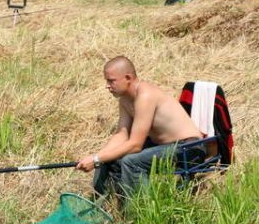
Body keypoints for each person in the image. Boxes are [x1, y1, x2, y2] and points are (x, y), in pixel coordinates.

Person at [76, 56, 205, 199]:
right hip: (163, 146)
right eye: (106, 81)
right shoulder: (125, 99)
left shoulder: (145, 95)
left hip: (190, 148)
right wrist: (99, 157)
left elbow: (135, 145)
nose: (107, 85)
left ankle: (141, 211)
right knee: (110, 159)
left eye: (111, 80)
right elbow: (121, 134)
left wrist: (96, 159)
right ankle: (103, 204)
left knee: (131, 162)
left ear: (128, 77)